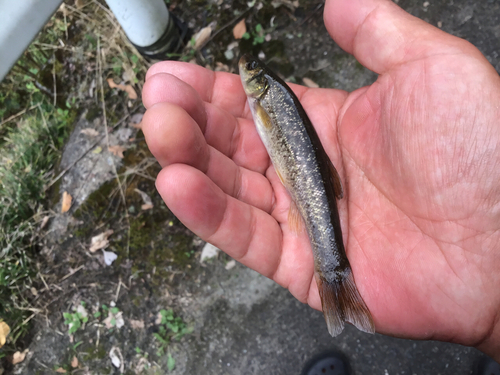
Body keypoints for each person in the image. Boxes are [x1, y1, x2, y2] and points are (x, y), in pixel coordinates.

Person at [141, 0, 500, 363]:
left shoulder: (268, 93)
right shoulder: (266, 95)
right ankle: (335, 278)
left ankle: (332, 270)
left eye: (250, 69)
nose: (244, 69)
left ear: (258, 82)